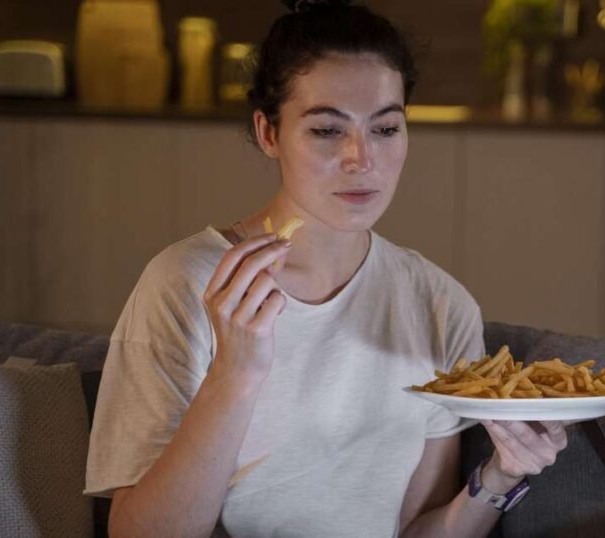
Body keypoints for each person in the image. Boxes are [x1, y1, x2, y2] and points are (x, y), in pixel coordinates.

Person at [84, 1, 569, 536]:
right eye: (326, 131)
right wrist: (235, 375)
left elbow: (418, 530)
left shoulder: (439, 304)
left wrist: (500, 476)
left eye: (385, 129)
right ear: (269, 133)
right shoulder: (185, 283)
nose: (361, 158)